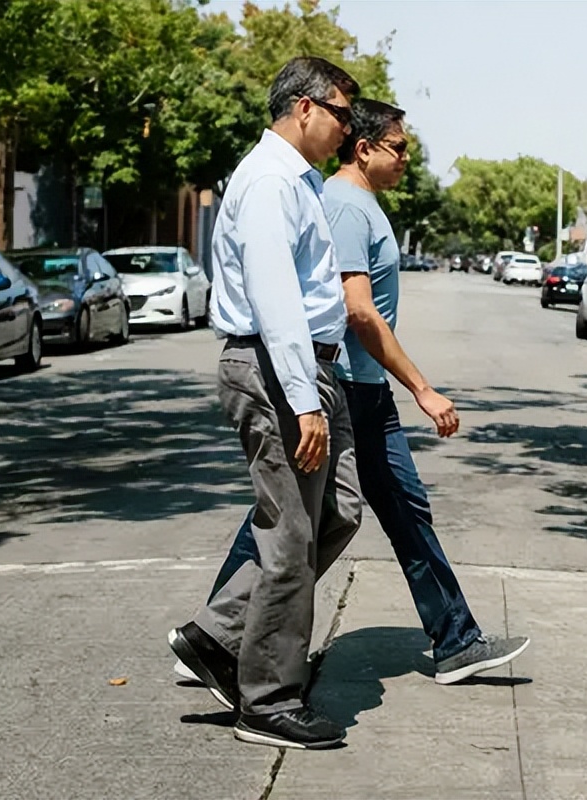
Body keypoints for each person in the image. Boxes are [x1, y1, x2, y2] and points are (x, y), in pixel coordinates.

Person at [201, 99, 529, 685]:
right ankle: (221, 637)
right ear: (365, 148)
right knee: (311, 518)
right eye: (398, 147)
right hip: (349, 385)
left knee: (324, 516)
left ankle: (216, 635)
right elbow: (357, 310)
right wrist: (422, 389)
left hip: (358, 385)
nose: (406, 158)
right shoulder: (346, 206)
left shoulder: (357, 203)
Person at [167, 56, 364, 751]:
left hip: (306, 368)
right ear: (305, 107)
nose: (349, 128)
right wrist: (304, 400)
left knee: (339, 511)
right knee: (291, 537)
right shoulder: (270, 181)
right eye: (343, 113)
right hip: (280, 367)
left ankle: (219, 636)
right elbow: (276, 296)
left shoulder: (295, 181)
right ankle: (267, 700)